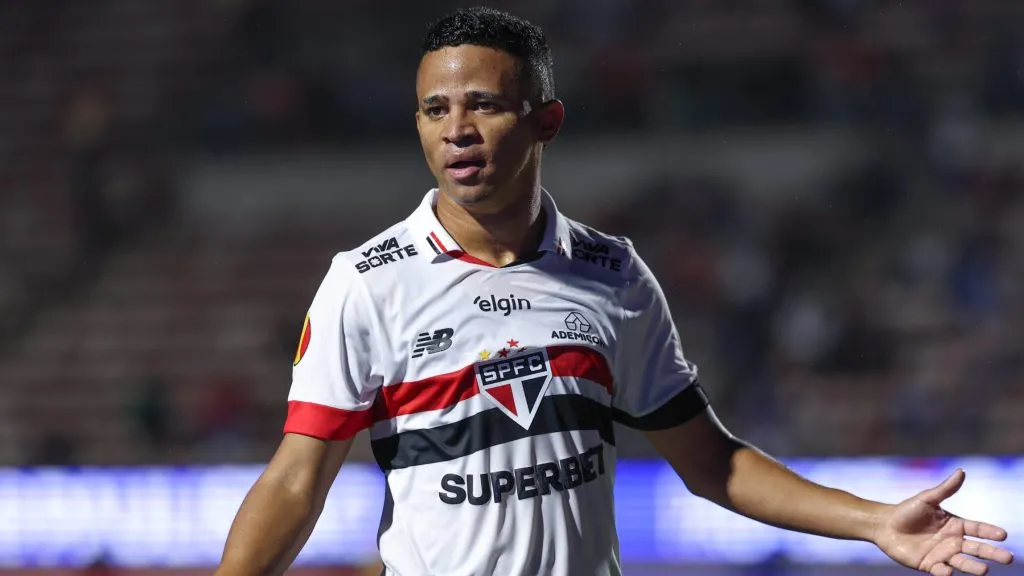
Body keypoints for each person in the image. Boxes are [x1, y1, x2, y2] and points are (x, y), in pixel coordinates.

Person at [214, 7, 1014, 576]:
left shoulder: (612, 273)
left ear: (546, 121)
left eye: (483, 104)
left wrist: (875, 522)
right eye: (435, 109)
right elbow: (296, 480)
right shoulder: (367, 281)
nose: (456, 129)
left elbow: (714, 464)